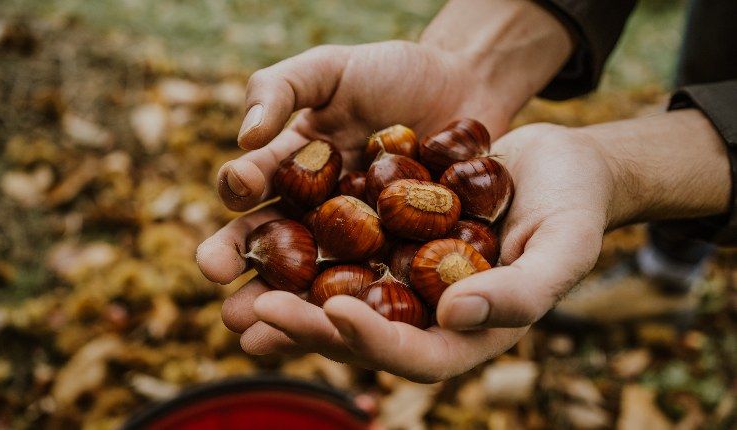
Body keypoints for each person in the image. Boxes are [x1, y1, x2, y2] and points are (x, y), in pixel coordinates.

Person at [196, 0, 737, 382]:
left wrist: (614, 168)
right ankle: (668, 268)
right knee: (711, 53)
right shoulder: (401, 198)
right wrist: (470, 61)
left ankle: (667, 276)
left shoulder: (417, 202)